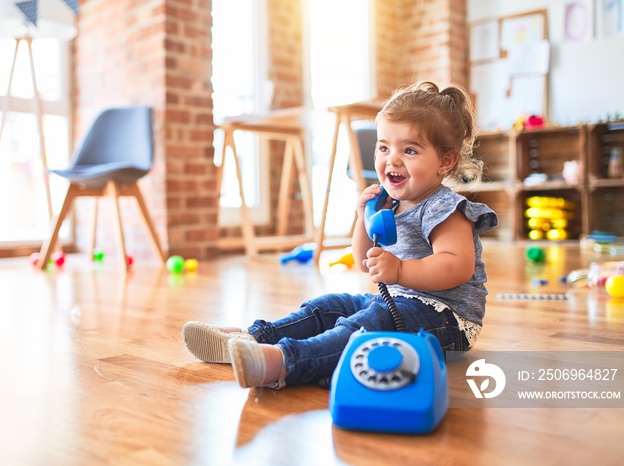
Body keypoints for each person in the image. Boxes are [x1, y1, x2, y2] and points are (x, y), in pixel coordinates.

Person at [183, 81, 498, 389]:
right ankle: (252, 338)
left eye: (410, 150)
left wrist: (400, 270)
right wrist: (364, 216)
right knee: (329, 305)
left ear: (445, 161)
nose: (393, 159)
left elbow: (456, 265)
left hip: (447, 321)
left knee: (363, 327)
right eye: (384, 147)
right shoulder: (392, 202)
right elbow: (364, 261)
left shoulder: (447, 207)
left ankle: (282, 362)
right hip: (399, 302)